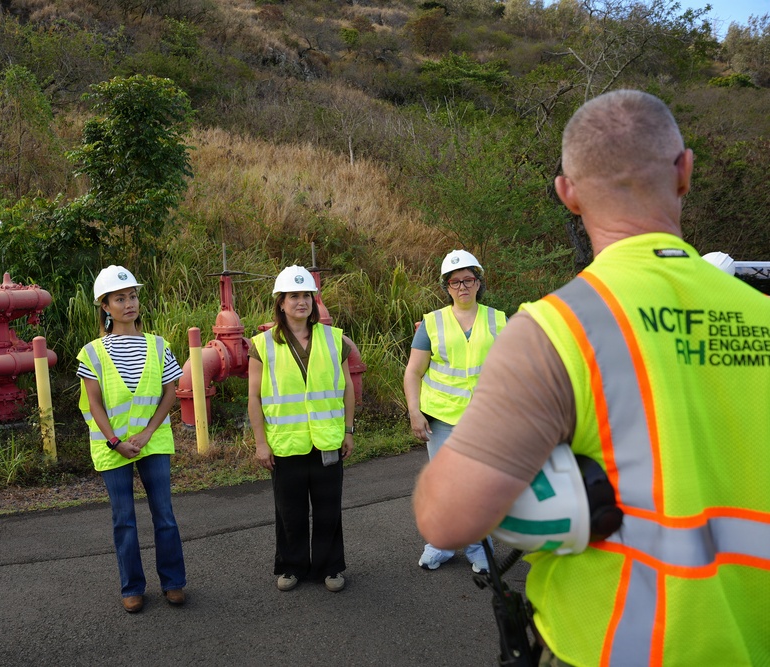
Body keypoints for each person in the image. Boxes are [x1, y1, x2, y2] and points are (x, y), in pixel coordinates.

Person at [413, 89, 770, 666]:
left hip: (609, 647)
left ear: (567, 193)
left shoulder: (554, 330)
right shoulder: (763, 315)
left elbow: (445, 517)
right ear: (685, 171)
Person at [76, 265, 187, 614]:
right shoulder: (91, 352)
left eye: (133, 296)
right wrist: (115, 441)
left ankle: (173, 582)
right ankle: (132, 588)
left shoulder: (158, 345)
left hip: (152, 441)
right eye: (120, 298)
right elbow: (93, 402)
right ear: (105, 307)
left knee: (164, 515)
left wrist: (148, 432)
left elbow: (170, 393)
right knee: (123, 518)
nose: (129, 303)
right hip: (113, 446)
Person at [248, 265, 355, 593]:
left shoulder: (335, 340)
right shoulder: (262, 345)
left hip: (327, 440)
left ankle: (330, 567)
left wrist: (349, 430)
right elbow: (254, 396)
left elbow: (348, 387)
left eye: (307, 295)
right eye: (294, 296)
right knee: (289, 511)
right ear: (280, 302)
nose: (301, 301)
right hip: (285, 443)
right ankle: (291, 566)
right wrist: (260, 443)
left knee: (328, 509)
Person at [403, 249, 506, 573]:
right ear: (446, 287)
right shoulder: (431, 323)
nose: (462, 286)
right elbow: (413, 372)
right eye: (455, 281)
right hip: (442, 419)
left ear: (479, 282)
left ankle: (479, 549)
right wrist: (414, 412)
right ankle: (442, 544)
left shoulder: (499, 320)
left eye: (468, 280)